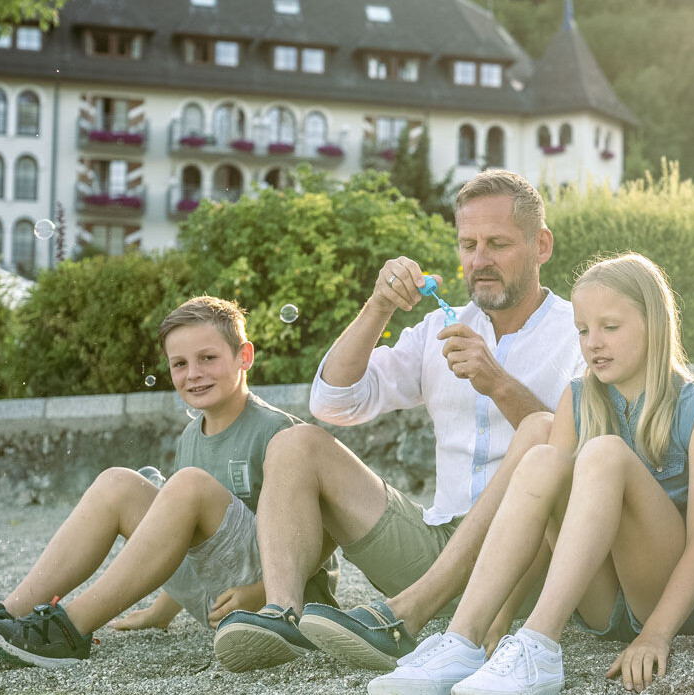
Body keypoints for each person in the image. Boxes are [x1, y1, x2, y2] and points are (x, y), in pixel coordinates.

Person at [212, 170, 586, 672]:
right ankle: (283, 614)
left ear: (541, 245)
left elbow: (583, 450)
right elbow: (333, 402)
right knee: (296, 442)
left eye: (497, 244)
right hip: (434, 546)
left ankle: (412, 619)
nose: (478, 261)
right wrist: (380, 305)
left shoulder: (578, 331)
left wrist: (498, 383)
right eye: (467, 244)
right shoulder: (441, 325)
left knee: (547, 444)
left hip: (529, 559)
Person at [368, 253, 694, 695]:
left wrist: (656, 635)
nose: (593, 343)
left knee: (604, 453)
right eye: (583, 331)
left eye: (610, 327)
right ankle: (462, 640)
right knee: (543, 458)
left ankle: (540, 646)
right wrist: (501, 621)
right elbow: (543, 521)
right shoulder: (581, 397)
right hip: (605, 606)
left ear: (653, 323)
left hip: (682, 599)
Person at [0, 296, 339, 669]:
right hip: (219, 601)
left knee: (185, 486)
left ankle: (68, 628)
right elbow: (187, 538)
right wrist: (162, 610)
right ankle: (10, 618)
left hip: (279, 603)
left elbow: (325, 533)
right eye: (179, 364)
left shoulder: (276, 431)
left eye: (208, 358)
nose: (193, 374)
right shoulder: (191, 437)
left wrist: (261, 590)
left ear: (243, 356)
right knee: (119, 483)